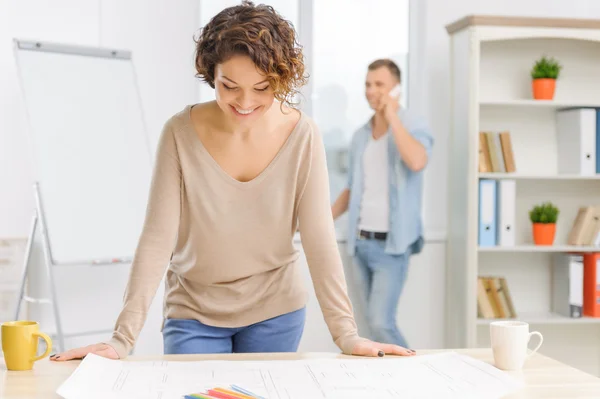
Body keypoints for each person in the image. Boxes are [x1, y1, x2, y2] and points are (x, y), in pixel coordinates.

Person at [50, 2, 415, 362]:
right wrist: (121, 339)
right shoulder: (179, 132)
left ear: (281, 79)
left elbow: (319, 237)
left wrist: (345, 334)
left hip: (277, 312)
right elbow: (158, 237)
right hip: (193, 313)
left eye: (262, 88)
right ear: (211, 74)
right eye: (229, 86)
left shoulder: (303, 134)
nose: (244, 102)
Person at [332, 59, 433, 349]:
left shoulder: (412, 125)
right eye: (367, 84)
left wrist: (392, 116)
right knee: (367, 328)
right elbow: (352, 189)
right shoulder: (360, 136)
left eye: (379, 85)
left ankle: (416, 378)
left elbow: (416, 161)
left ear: (395, 89)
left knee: (381, 323)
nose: (371, 91)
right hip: (360, 243)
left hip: (392, 247)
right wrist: (321, 220)